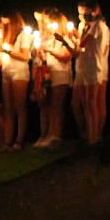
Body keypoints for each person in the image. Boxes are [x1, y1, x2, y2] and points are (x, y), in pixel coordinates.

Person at [35, 11, 74, 147]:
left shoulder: (64, 38)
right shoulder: (48, 39)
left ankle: (55, 135)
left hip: (61, 73)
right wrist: (42, 54)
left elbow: (67, 56)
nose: (48, 26)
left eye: (50, 23)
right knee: (50, 105)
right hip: (50, 73)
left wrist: (50, 51)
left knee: (57, 105)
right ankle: (47, 134)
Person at [73, 2, 109, 143]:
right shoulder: (84, 26)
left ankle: (95, 135)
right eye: (80, 13)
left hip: (94, 67)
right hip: (83, 66)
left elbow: (83, 43)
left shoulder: (98, 26)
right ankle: (89, 133)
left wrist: (70, 39)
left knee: (92, 101)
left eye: (84, 12)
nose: (82, 16)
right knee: (84, 102)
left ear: (94, 12)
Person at [0, 14, 32, 149]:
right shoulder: (4, 37)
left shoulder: (23, 36)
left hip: (19, 72)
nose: (3, 27)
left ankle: (19, 140)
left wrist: (6, 51)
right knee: (8, 107)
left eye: (6, 24)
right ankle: (8, 140)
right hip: (6, 72)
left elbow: (25, 56)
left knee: (19, 106)